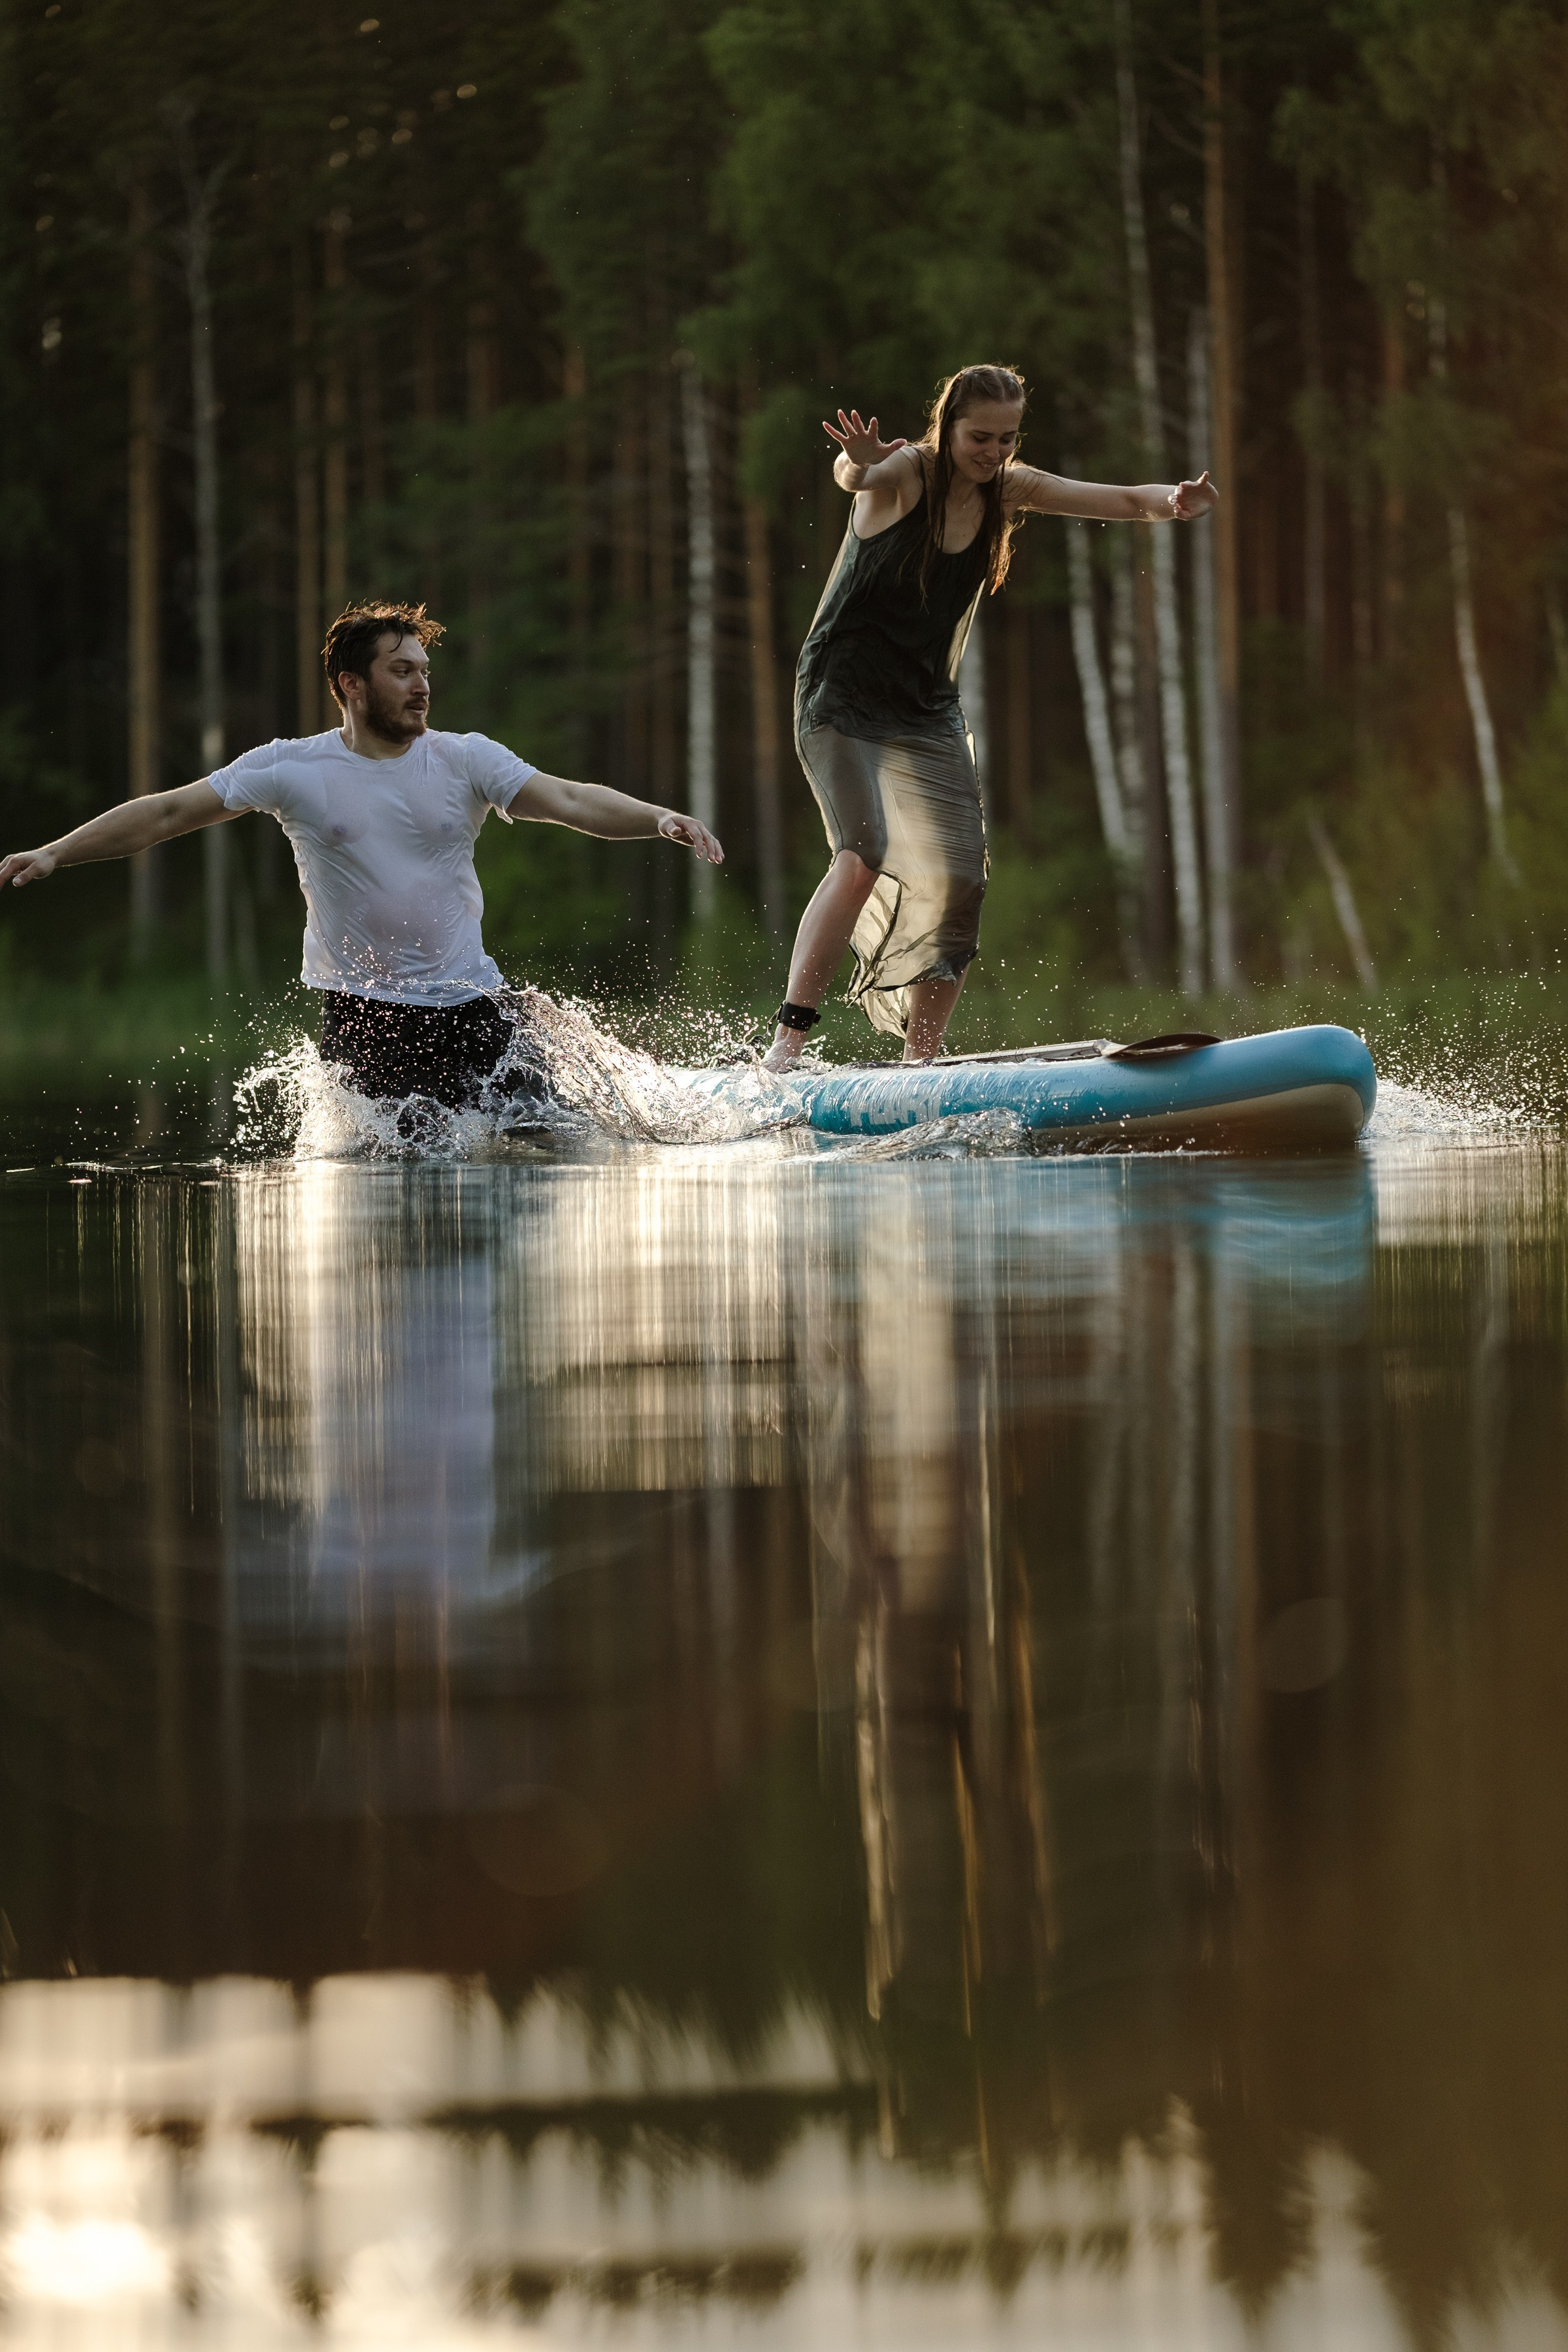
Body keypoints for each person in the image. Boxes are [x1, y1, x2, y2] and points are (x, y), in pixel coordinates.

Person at [0, 601, 724, 1109]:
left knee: (543, 1146)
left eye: (424, 671)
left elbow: (568, 801)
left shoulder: (467, 758)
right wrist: (56, 852)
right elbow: (162, 814)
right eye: (401, 670)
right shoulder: (292, 768)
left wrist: (659, 817)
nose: (422, 685)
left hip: (474, 1005)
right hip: (366, 1017)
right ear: (351, 684)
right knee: (385, 1177)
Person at [763, 364, 1218, 1071]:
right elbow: (855, 480)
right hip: (841, 694)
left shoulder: (1010, 488)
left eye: (1007, 439)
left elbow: (1126, 499)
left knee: (962, 876)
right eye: (980, 437)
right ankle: (785, 1047)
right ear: (947, 425)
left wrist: (1175, 500)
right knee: (862, 855)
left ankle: (924, 1061)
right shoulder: (907, 473)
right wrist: (857, 460)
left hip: (924, 707)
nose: (994, 452)